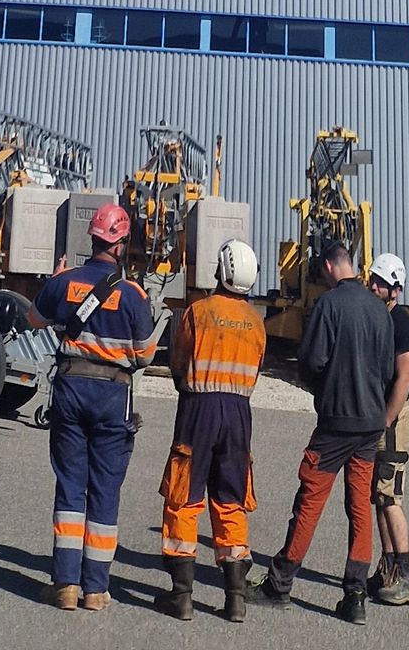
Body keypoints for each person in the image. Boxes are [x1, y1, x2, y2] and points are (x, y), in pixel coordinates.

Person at [256, 240, 395, 624]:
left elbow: (311, 362)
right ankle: (355, 596)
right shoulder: (379, 310)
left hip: (335, 423)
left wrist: (324, 389)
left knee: (310, 501)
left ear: (331, 267)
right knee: (359, 508)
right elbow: (387, 371)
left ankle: (280, 584)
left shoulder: (329, 305)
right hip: (369, 425)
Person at [36, 200, 161, 611]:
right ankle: (95, 590)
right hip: (112, 396)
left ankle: (65, 585)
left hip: (70, 389)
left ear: (92, 239)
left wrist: (55, 281)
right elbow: (145, 356)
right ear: (121, 245)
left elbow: (35, 319)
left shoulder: (65, 282)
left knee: (71, 486)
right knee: (105, 490)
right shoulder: (133, 295)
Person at [158, 237, 267, 624]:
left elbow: (178, 361)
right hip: (238, 415)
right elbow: (255, 370)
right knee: (231, 498)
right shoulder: (257, 321)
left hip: (198, 409)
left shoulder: (198, 312)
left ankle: (181, 596)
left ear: (220, 271)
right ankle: (235, 598)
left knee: (184, 496)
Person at [367, 254, 409, 608]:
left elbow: (403, 380)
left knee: (390, 497)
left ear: (395, 290)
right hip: (379, 418)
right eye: (372, 279)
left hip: (393, 421)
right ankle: (386, 568)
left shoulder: (403, 327)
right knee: (379, 496)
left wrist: (385, 419)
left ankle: (405, 575)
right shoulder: (378, 318)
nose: (373, 286)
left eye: (381, 283)